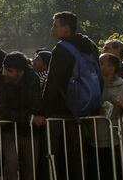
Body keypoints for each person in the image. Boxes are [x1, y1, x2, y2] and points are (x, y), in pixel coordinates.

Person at [37, 11, 100, 179]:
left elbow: (52, 83)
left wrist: (43, 111)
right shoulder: (91, 46)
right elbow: (98, 76)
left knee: (52, 154)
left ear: (66, 29)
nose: (52, 29)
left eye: (55, 25)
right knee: (77, 155)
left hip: (61, 109)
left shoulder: (61, 49)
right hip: (86, 108)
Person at [89, 53, 123, 179]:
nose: (98, 66)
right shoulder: (92, 85)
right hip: (90, 141)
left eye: (101, 63)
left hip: (111, 143)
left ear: (112, 67)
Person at [0, 52, 43, 180]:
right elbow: (0, 111)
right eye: (4, 69)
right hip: (8, 131)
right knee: (10, 163)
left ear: (21, 72)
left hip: (30, 131)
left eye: (9, 71)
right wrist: (28, 117)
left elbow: (36, 107)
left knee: (30, 166)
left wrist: (23, 116)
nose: (5, 73)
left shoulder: (32, 78)